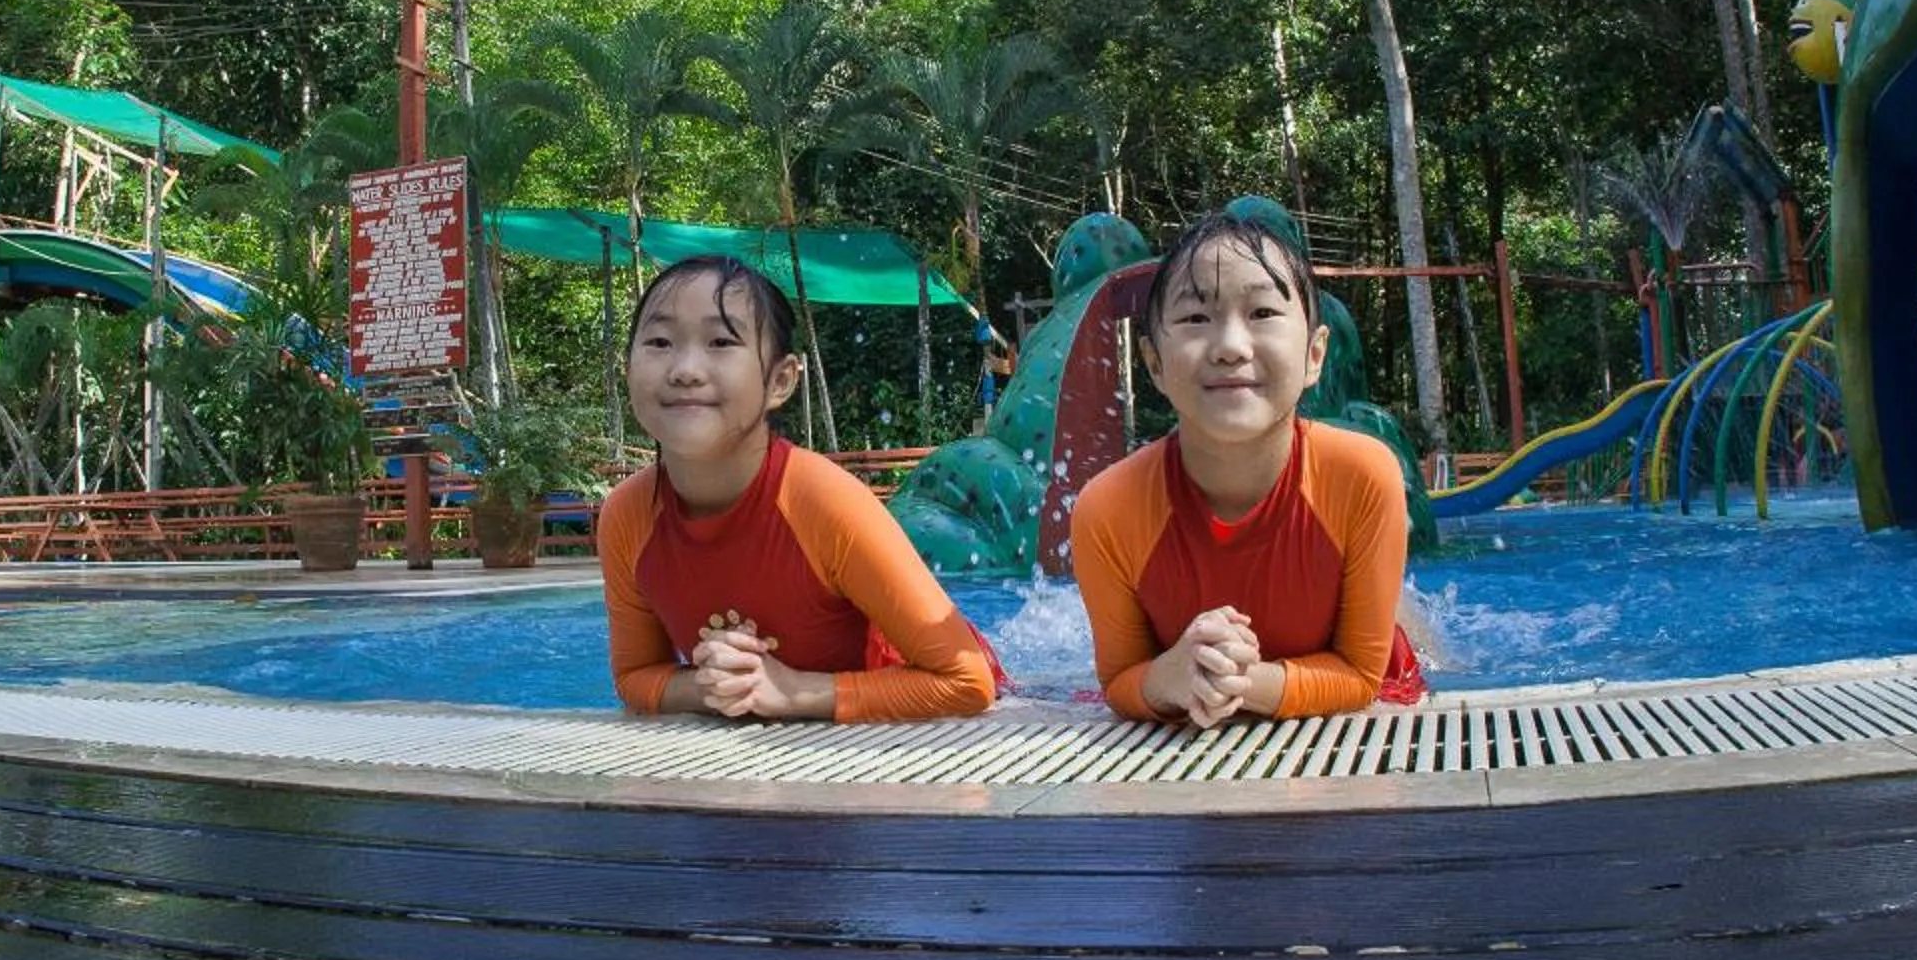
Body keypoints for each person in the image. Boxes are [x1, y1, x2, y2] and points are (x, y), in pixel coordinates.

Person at [600, 255, 999, 721]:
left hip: (922, 703)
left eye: (720, 341)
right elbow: (634, 677)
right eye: (660, 341)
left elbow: (968, 682)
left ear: (781, 380)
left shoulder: (822, 500)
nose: (685, 369)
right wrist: (714, 686)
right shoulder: (628, 515)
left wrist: (793, 693)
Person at [1071, 210, 1423, 726]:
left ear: (1315, 355)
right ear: (1154, 365)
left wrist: (1237, 682)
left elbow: (1361, 676)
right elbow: (1120, 680)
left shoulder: (1363, 477)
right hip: (1239, 673)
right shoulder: (1108, 510)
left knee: (1401, 627)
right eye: (1195, 319)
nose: (1231, 348)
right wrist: (1168, 677)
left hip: (1371, 677)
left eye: (1261, 313)